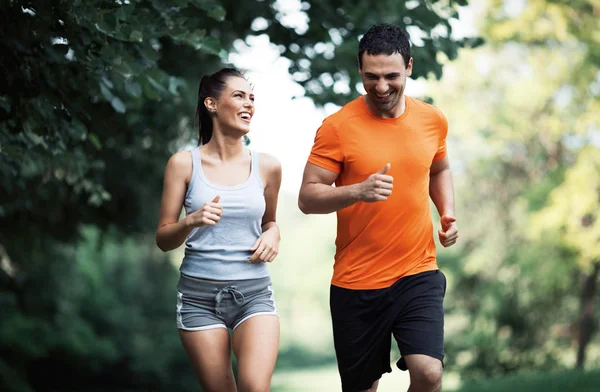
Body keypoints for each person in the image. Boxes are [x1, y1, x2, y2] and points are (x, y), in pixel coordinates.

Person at [298, 24, 459, 392]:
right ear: (359, 69)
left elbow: (440, 167)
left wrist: (447, 212)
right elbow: (307, 197)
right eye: (371, 77)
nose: (382, 87)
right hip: (357, 282)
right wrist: (357, 191)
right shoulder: (337, 127)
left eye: (391, 76)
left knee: (429, 373)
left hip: (417, 272)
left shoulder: (432, 120)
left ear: (410, 67)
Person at [156, 67, 282, 392]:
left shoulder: (268, 166)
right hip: (198, 298)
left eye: (252, 98)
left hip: (254, 294)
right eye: (239, 96)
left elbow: (270, 221)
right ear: (212, 104)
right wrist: (192, 220)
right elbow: (164, 238)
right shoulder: (183, 164)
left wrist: (274, 233)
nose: (249, 104)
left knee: (255, 387)